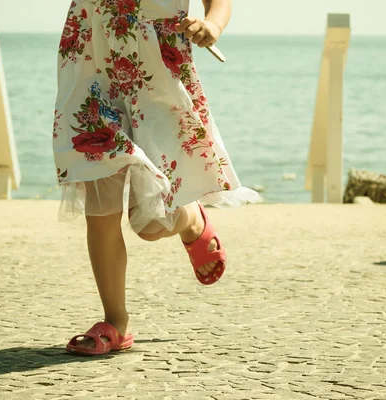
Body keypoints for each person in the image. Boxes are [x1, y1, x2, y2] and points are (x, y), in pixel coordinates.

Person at [53, 0, 259, 355]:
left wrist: (213, 24)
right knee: (99, 200)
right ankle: (115, 322)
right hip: (91, 57)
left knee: (148, 226)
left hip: (155, 67)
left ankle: (192, 218)